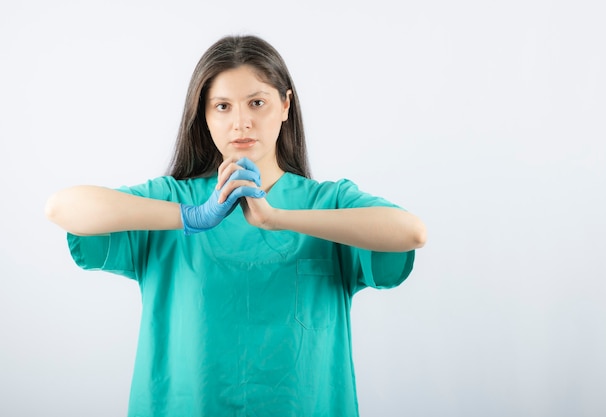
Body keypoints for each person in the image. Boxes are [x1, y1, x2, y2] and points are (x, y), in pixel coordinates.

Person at [45, 35, 427, 417]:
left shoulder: (330, 205)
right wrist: (190, 216)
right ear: (204, 116)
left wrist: (277, 218)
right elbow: (62, 207)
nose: (241, 122)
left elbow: (411, 232)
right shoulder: (168, 200)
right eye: (222, 106)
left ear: (285, 105)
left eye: (256, 103)